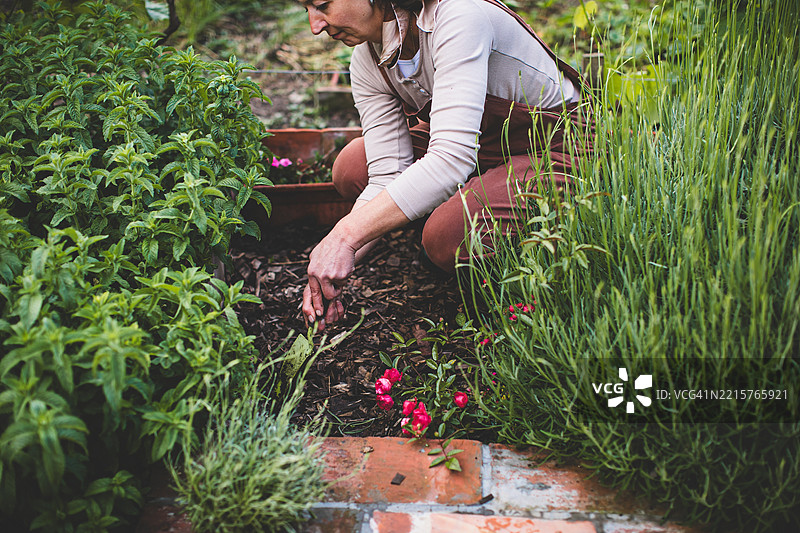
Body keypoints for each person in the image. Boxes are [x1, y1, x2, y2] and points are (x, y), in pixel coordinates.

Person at [300, 0, 593, 330]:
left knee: (446, 237)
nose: (315, 25)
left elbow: (452, 159)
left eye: (323, 4)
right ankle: (460, 209)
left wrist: (345, 235)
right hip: (479, 143)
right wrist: (336, 265)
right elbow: (386, 173)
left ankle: (499, 255)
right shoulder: (368, 59)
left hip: (552, 143)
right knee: (355, 165)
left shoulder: (457, 15)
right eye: (305, 9)